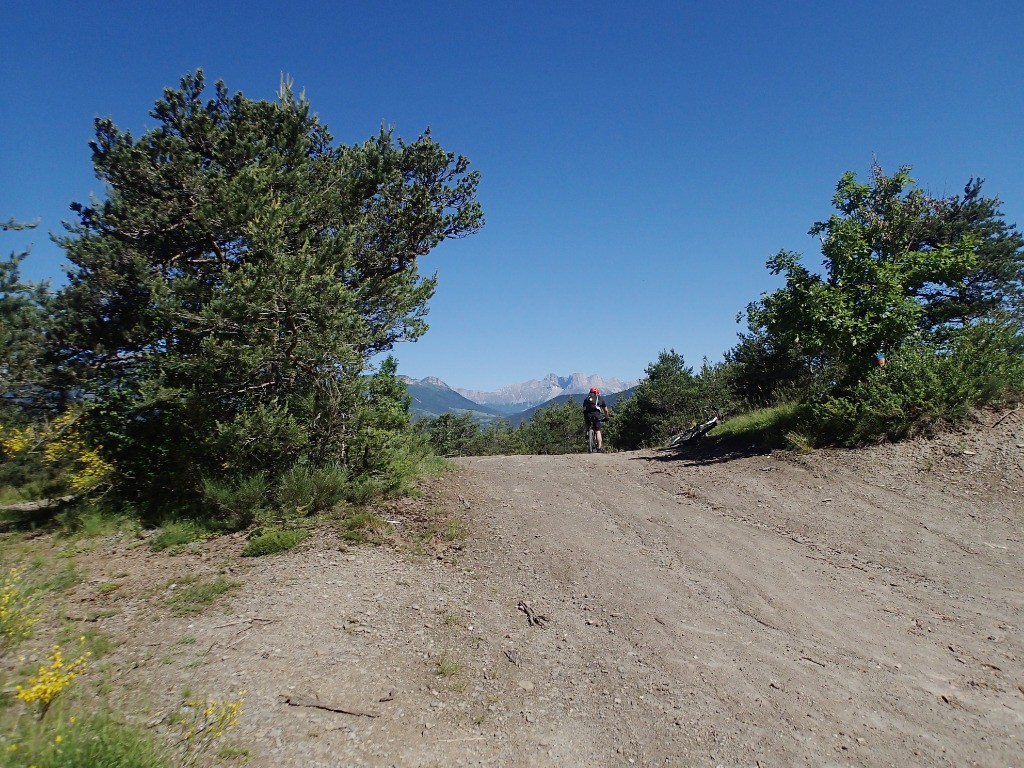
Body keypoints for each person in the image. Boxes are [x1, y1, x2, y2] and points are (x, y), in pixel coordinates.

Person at [582, 387, 610, 451]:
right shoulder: (600, 399)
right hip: (596, 416)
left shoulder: (586, 399)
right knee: (597, 431)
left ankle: (587, 432)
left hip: (587, 415)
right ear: (597, 393)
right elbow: (605, 410)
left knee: (587, 424)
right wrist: (606, 417)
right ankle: (599, 447)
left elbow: (583, 409)